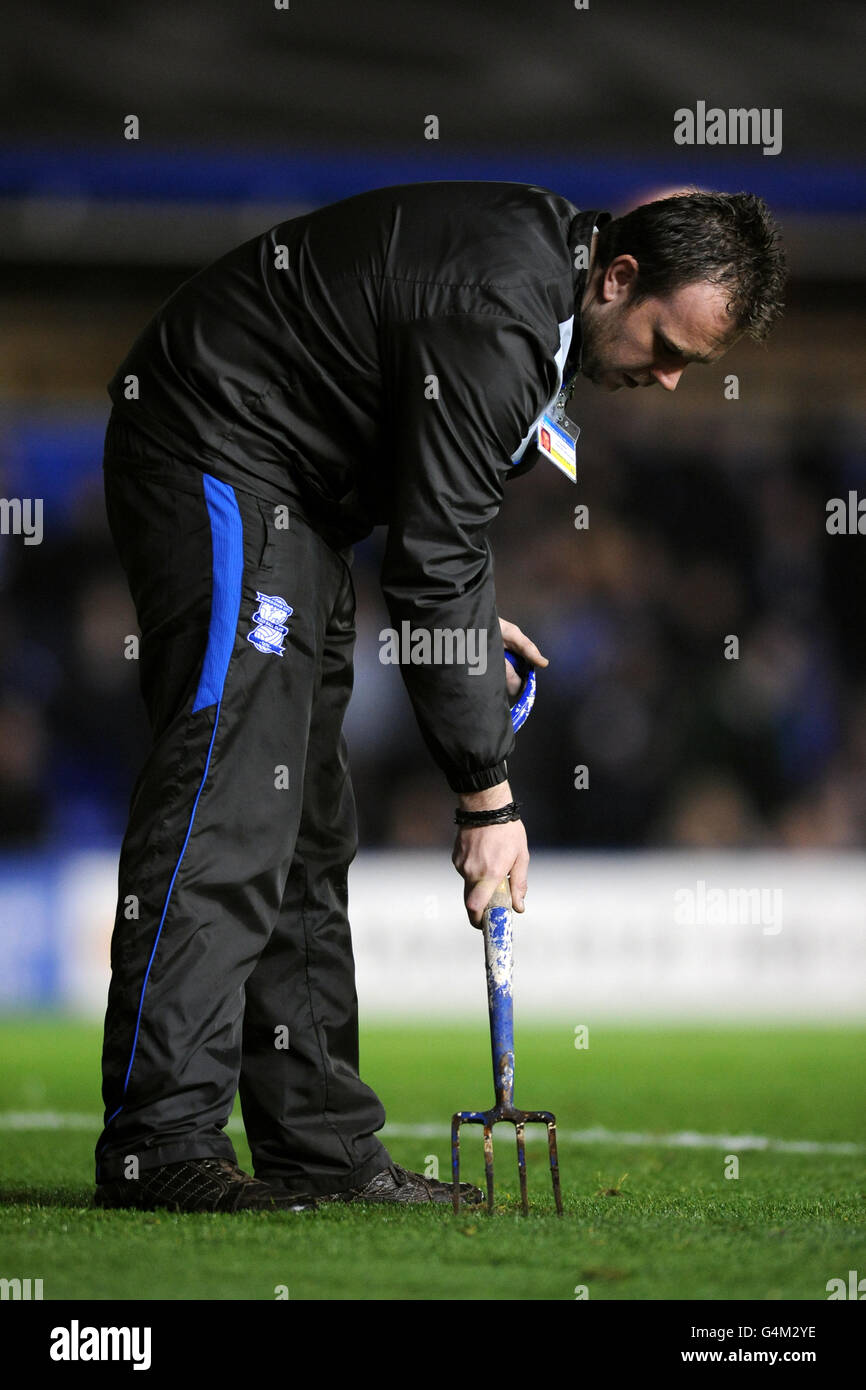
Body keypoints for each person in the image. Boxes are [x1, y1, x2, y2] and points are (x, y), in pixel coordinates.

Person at [93, 181, 785, 1212]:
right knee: (230, 802)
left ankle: (319, 1147)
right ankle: (160, 1143)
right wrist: (486, 799)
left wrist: (462, 620)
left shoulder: (541, 300)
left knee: (308, 829)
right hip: (213, 441)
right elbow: (433, 561)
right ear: (619, 276)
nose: (674, 380)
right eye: (667, 345)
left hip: (299, 497)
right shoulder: (503, 308)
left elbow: (437, 538)